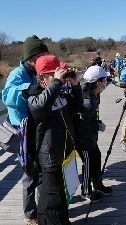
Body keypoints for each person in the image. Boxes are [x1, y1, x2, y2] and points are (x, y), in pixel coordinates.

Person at [27, 55, 83, 224]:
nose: (60, 77)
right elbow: (40, 107)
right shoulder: (35, 96)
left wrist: (75, 85)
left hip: (64, 155)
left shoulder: (59, 93)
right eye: (54, 73)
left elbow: (77, 107)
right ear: (41, 77)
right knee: (53, 201)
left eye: (61, 73)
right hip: (50, 158)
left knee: (58, 199)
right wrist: (57, 83)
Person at [1, 35, 49, 225]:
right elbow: (7, 97)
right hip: (22, 132)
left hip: (36, 128)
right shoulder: (17, 74)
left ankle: (42, 204)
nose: (44, 59)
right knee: (30, 172)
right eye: (41, 56)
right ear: (31, 58)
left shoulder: (38, 71)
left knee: (40, 169)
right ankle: (30, 214)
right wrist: (28, 89)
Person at [74, 65, 113, 202]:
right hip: (81, 139)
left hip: (89, 138)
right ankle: (86, 191)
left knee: (96, 156)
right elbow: (82, 126)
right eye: (104, 79)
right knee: (88, 161)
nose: (106, 81)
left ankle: (97, 185)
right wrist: (98, 125)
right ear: (98, 83)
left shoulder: (92, 93)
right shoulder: (88, 101)